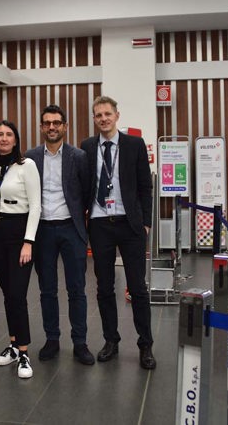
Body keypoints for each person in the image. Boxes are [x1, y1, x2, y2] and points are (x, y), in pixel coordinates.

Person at [81, 96, 156, 370]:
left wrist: (146, 223)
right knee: (104, 287)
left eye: (107, 114)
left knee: (137, 287)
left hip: (130, 224)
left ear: (117, 115)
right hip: (100, 223)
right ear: (94, 118)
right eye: (98, 115)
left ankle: (145, 344)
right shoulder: (88, 147)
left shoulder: (134, 145)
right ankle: (111, 340)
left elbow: (145, 187)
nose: (103, 119)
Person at [25, 105, 95, 365]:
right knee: (47, 290)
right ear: (42, 127)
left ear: (65, 127)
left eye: (57, 123)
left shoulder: (78, 156)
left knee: (77, 289)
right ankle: (52, 339)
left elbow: (86, 191)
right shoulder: (30, 157)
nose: (52, 127)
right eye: (47, 123)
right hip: (42, 230)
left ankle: (80, 342)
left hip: (71, 228)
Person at [0, 120, 41, 379]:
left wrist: (28, 241)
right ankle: (13, 343)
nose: (4, 138)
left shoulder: (26, 165)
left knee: (18, 295)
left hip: (19, 235)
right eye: (0, 134)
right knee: (8, 294)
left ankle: (24, 352)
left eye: (9, 134)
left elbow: (36, 206)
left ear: (16, 139)